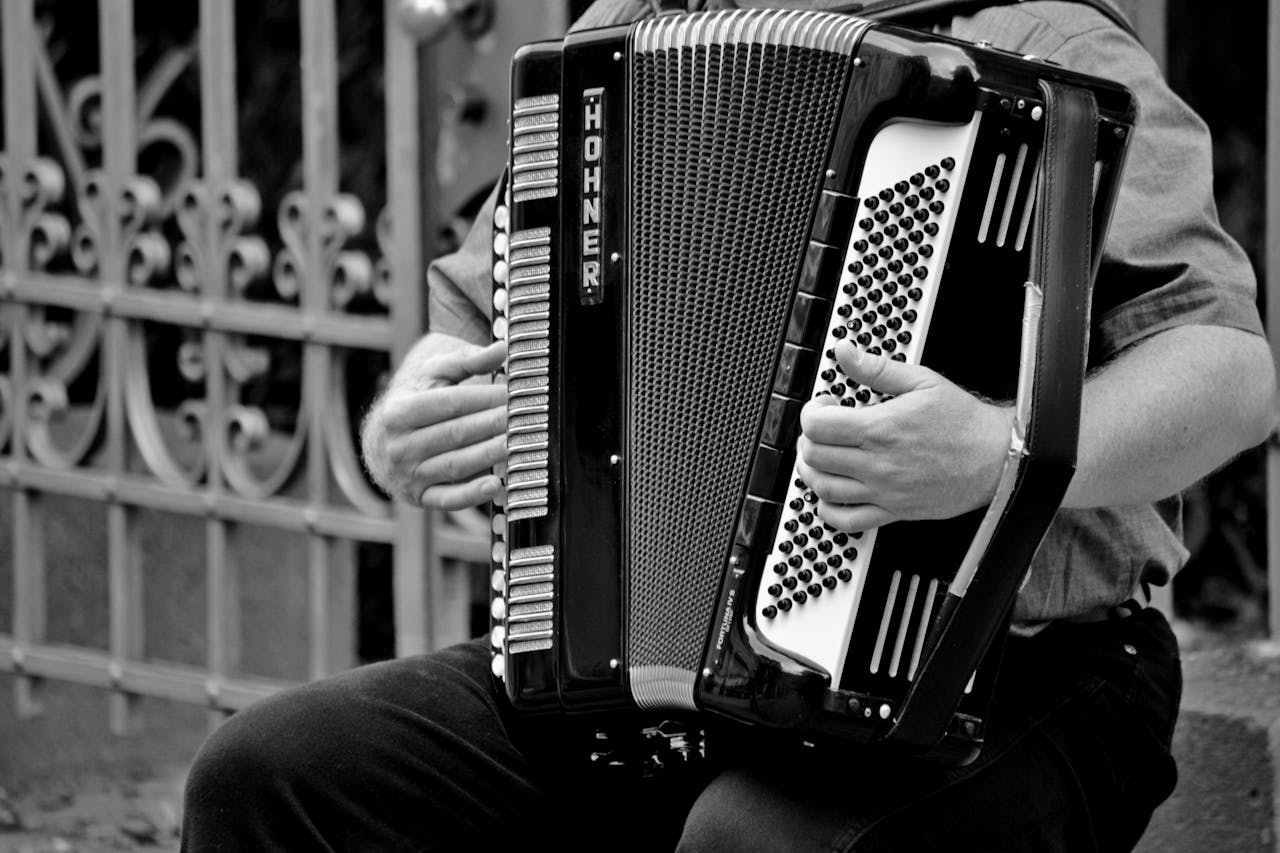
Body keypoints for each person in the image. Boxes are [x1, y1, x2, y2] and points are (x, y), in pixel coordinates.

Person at [180, 1, 1276, 850]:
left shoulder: (1047, 47)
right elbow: (469, 328)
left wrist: (994, 454)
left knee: (759, 838)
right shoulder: (624, 40)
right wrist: (410, 424)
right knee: (272, 771)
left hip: (1019, 670)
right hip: (642, 676)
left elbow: (1227, 373)